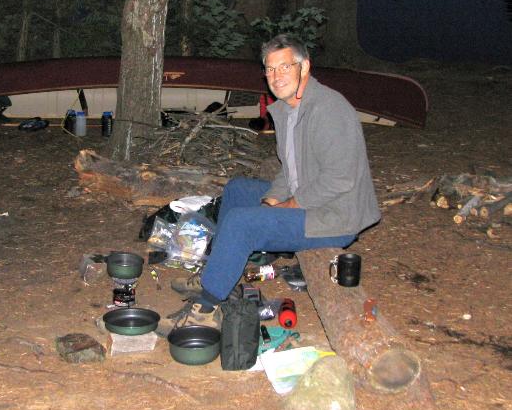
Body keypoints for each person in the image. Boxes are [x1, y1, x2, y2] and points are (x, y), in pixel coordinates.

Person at [163, 33, 381, 330]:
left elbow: (340, 178)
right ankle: (221, 266)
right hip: (313, 199)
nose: (276, 76)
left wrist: (290, 204)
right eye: (270, 69)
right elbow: (289, 170)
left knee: (242, 223)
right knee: (238, 190)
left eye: (285, 67)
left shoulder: (328, 109)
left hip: (335, 216)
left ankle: (207, 307)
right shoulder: (289, 109)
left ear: (304, 68)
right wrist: (271, 199)